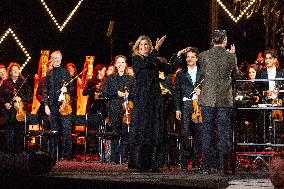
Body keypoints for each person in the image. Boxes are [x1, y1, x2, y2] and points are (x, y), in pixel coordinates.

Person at [129, 35, 179, 172]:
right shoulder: (136, 59)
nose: (144, 47)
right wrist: (156, 49)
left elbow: (170, 69)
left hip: (155, 97)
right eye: (141, 45)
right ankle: (142, 163)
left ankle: (155, 163)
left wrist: (178, 56)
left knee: (155, 128)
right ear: (137, 48)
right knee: (143, 128)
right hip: (142, 97)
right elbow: (145, 64)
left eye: (146, 45)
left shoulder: (155, 60)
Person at [199, 30, 238, 174]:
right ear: (225, 40)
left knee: (207, 134)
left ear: (212, 40)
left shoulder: (203, 56)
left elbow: (204, 74)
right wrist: (233, 55)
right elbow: (236, 75)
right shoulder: (230, 57)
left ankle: (206, 167)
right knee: (223, 134)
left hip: (208, 99)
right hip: (224, 100)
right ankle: (223, 167)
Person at [174, 47, 203, 172]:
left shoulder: (203, 73)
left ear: (197, 58)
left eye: (192, 57)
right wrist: (177, 109)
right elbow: (177, 92)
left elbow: (208, 89)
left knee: (198, 133)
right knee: (185, 133)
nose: (189, 59)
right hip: (186, 105)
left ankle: (196, 160)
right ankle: (184, 161)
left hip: (199, 105)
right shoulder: (181, 74)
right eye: (188, 57)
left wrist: (202, 92)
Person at [102, 55, 135, 164]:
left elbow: (135, 93)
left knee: (126, 132)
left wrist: (129, 94)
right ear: (116, 64)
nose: (120, 65)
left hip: (126, 108)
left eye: (122, 62)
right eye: (118, 63)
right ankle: (114, 158)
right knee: (115, 133)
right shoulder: (110, 78)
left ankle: (123, 157)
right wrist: (116, 93)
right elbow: (105, 92)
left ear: (125, 64)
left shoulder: (131, 79)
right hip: (114, 107)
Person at [44, 50, 74, 161]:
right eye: (54, 58)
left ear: (61, 59)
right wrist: (46, 106)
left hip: (64, 105)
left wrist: (66, 89)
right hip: (53, 106)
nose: (57, 60)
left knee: (66, 130)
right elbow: (46, 91)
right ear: (51, 60)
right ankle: (54, 154)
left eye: (58, 58)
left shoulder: (65, 72)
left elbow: (72, 88)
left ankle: (67, 154)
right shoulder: (49, 73)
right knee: (54, 130)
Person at [1, 62, 31, 153]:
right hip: (9, 113)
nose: (15, 72)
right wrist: (5, 103)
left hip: (20, 112)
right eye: (13, 70)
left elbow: (29, 95)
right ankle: (9, 156)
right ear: (10, 72)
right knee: (9, 136)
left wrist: (21, 98)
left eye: (17, 70)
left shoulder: (24, 82)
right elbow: (0, 96)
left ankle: (19, 156)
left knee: (19, 135)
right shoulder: (5, 83)